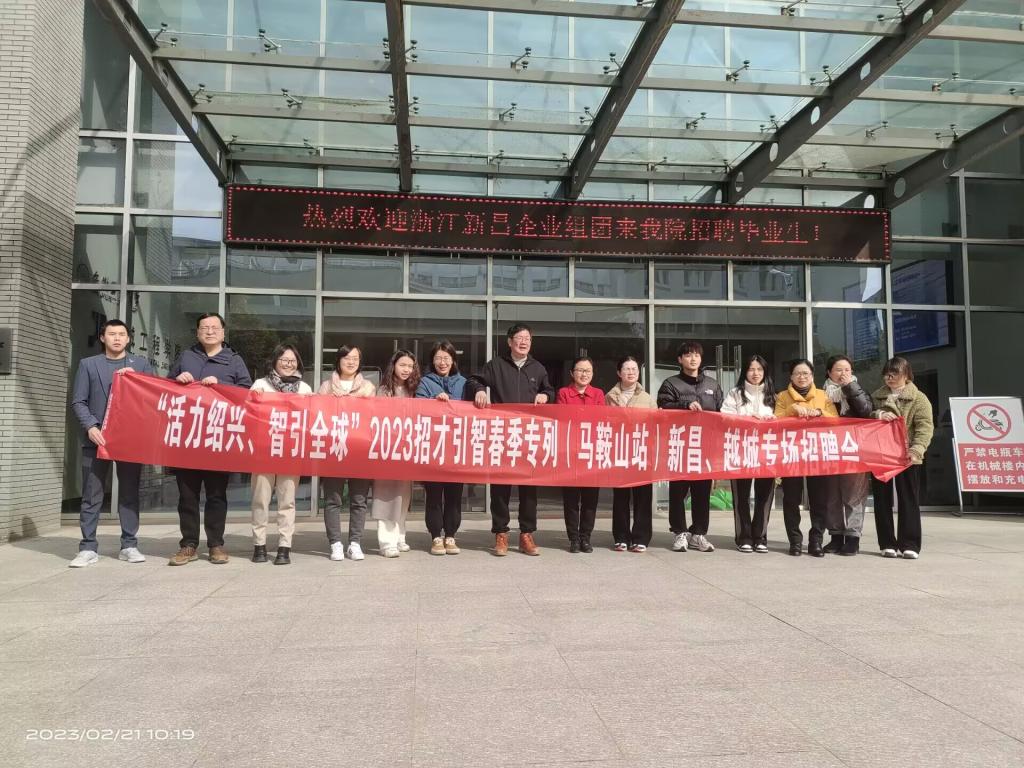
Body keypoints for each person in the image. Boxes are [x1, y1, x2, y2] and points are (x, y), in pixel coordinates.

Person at [167, 312, 252, 566]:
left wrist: (221, 384)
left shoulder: (234, 360)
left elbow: (246, 393)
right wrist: (177, 380)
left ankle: (216, 544)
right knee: (187, 495)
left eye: (215, 327)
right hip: (188, 437)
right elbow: (165, 388)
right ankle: (188, 545)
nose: (210, 331)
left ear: (223, 333)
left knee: (216, 495)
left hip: (218, 437)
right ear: (197, 332)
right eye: (205, 327)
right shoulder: (186, 356)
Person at [68, 319, 155, 567]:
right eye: (112, 334)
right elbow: (78, 401)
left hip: (129, 440)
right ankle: (88, 547)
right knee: (91, 494)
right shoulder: (88, 364)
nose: (117, 338)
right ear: (102, 337)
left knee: (129, 493)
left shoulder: (141, 365)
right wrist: (91, 426)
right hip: (96, 440)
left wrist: (137, 381)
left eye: (122, 334)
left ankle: (129, 545)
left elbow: (153, 398)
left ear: (128, 339)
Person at [465, 323, 554, 556]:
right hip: (503, 435)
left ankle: (526, 534)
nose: (524, 342)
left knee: (529, 489)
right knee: (500, 488)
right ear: (509, 342)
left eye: (528, 338)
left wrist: (545, 395)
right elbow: (473, 380)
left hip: (529, 436)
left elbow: (550, 391)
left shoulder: (538, 368)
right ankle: (501, 533)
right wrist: (480, 390)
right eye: (519, 338)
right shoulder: (496, 365)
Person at [657, 341, 723, 553]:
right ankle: (680, 532)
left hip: (704, 447)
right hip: (680, 447)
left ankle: (699, 534)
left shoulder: (713, 385)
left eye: (696, 355)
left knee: (702, 493)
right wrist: (684, 406)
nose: (693, 359)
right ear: (680, 359)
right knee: (678, 493)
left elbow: (722, 414)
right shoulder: (670, 384)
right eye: (688, 355)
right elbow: (663, 407)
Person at [249, 344, 312, 565]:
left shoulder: (304, 388)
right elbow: (248, 414)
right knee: (260, 500)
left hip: (290, 453)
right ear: (275, 361)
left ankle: (284, 546)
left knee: (287, 502)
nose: (288, 364)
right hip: (264, 452)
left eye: (292, 361)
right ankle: (259, 545)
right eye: (284, 360)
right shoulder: (260, 384)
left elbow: (311, 418)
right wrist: (253, 399)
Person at [870, 356, 934, 560]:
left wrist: (917, 449)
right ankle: (886, 543)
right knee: (882, 500)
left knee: (909, 499)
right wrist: (877, 414)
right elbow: (864, 417)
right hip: (881, 455)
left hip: (907, 456)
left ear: (906, 375)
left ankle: (910, 544)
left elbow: (925, 426)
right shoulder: (876, 396)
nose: (889, 378)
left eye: (894, 374)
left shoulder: (919, 398)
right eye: (887, 374)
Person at [774, 358, 838, 557]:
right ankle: (795, 541)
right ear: (791, 376)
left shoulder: (822, 395)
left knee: (820, 500)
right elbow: (775, 421)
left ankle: (816, 541)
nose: (801, 377)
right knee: (791, 499)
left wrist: (819, 412)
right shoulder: (783, 396)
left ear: (812, 376)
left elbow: (836, 421)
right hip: (791, 453)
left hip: (817, 453)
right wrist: (791, 410)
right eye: (797, 373)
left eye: (805, 373)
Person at [318, 345, 376, 562]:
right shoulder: (326, 386)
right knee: (332, 499)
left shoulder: (368, 387)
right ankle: (335, 543)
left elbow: (373, 416)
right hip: (334, 450)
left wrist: (357, 402)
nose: (351, 362)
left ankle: (355, 543)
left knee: (359, 500)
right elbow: (318, 416)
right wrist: (331, 402)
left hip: (359, 451)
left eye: (355, 358)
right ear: (339, 360)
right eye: (347, 358)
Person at [720, 354, 776, 554]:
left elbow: (783, 418)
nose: (755, 373)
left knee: (764, 496)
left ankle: (760, 537)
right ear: (745, 371)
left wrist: (772, 419)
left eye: (759, 369)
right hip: (741, 451)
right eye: (751, 369)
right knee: (741, 496)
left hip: (766, 452)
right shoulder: (735, 393)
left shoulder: (773, 394)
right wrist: (747, 418)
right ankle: (744, 536)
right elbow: (724, 416)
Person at [416, 340, 467, 556]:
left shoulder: (464, 383)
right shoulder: (424, 382)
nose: (442, 362)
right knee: (434, 495)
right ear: (432, 361)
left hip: (457, 448)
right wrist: (432, 401)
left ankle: (451, 535)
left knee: (454, 495)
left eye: (447, 358)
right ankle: (436, 536)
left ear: (453, 360)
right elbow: (417, 408)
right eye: (438, 358)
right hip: (433, 448)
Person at [821, 355, 874, 556]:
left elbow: (866, 411)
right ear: (829, 373)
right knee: (831, 496)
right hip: (829, 450)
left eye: (847, 370)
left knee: (854, 495)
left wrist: (849, 387)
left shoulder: (858, 390)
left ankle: (853, 538)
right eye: (838, 370)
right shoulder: (821, 394)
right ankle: (835, 536)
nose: (843, 373)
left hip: (853, 450)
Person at [372, 350, 420, 558]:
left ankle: (400, 536)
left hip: (406, 449)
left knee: (403, 494)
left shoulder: (414, 390)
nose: (406, 370)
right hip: (386, 449)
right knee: (385, 495)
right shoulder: (383, 390)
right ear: (394, 366)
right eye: (403, 365)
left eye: (410, 366)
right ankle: (386, 541)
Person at [605, 356, 656, 552]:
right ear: (619, 373)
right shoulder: (609, 397)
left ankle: (641, 537)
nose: (631, 372)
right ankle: (621, 537)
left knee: (643, 497)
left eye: (634, 369)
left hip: (642, 452)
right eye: (627, 369)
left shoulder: (647, 398)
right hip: (619, 452)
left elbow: (656, 425)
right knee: (621, 497)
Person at [556, 356, 605, 553]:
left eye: (588, 371)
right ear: (572, 373)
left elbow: (601, 419)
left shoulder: (598, 394)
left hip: (592, 452)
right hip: (570, 453)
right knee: (571, 499)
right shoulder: (563, 393)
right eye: (580, 370)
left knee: (590, 500)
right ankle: (573, 538)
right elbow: (563, 418)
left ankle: (586, 537)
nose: (584, 374)